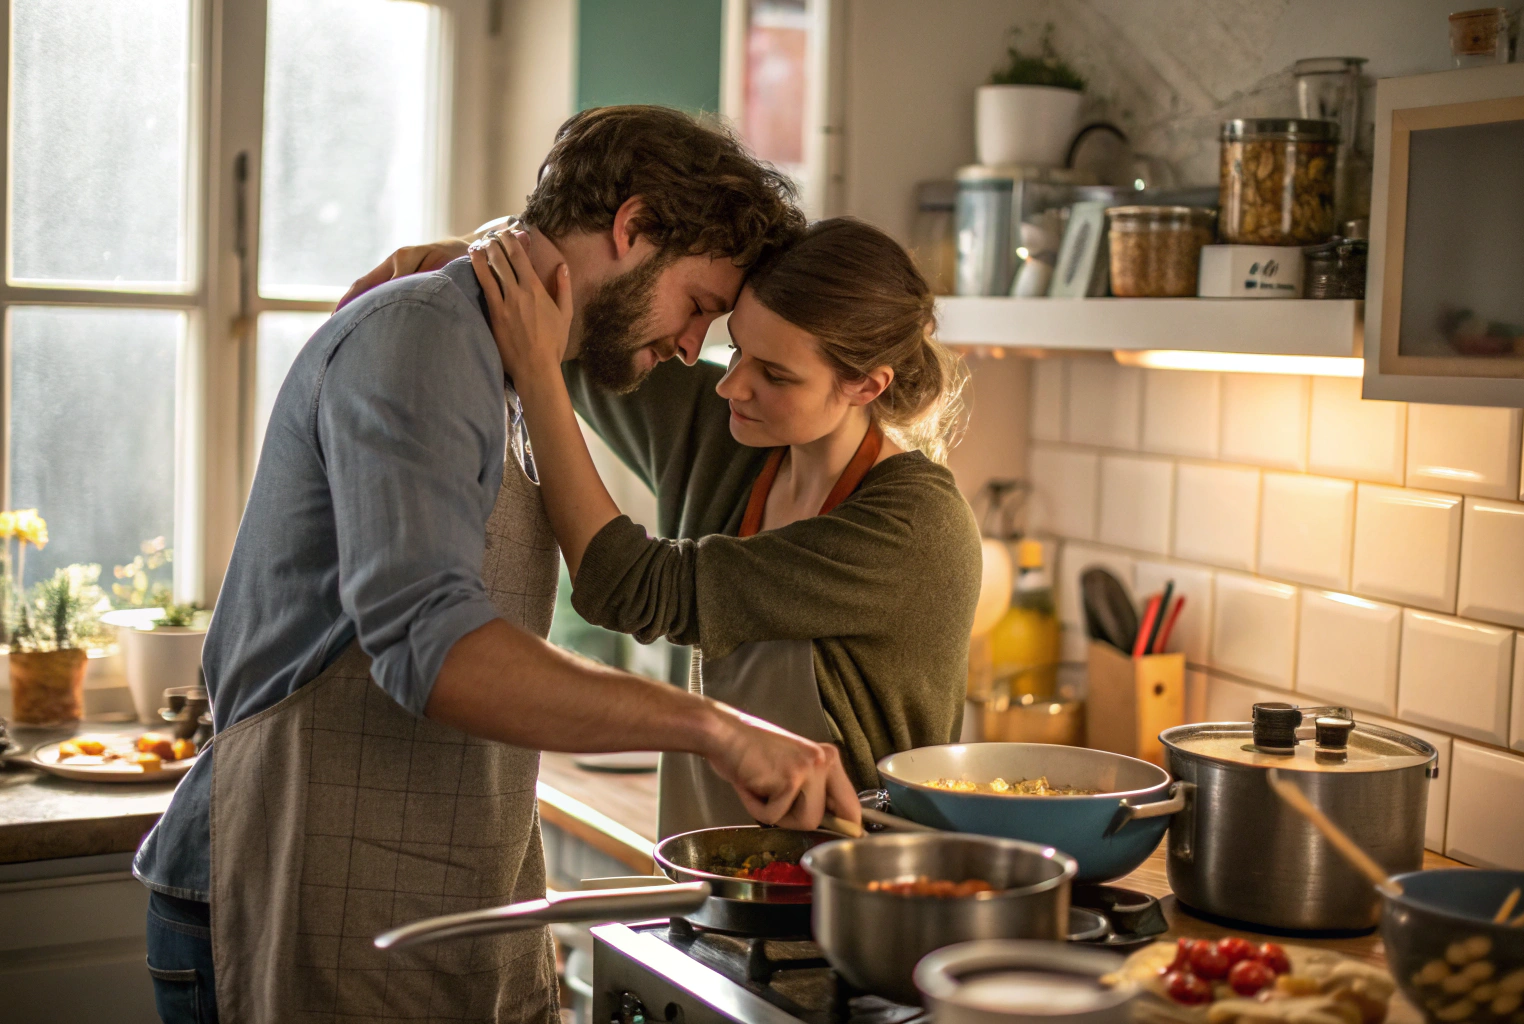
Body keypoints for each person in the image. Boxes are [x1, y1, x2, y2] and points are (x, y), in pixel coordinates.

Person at [132, 105, 860, 1024]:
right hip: (289, 884)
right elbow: (432, 649)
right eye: (699, 307)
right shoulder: (422, 337)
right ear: (633, 226)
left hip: (425, 894)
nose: (692, 349)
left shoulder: (517, 353)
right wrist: (715, 728)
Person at [362, 216, 983, 841]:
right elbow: (573, 326)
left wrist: (537, 372)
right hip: (704, 875)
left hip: (855, 889)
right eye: (735, 350)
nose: (733, 385)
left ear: (866, 385)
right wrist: (488, 255)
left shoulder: (914, 524)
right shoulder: (726, 432)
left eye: (775, 374)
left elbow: (629, 586)